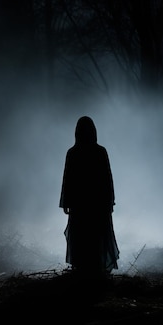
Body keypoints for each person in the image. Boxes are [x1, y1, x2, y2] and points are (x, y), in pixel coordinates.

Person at [59, 115, 119, 278]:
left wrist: (66, 202)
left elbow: (69, 180)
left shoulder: (74, 153)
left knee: (83, 234)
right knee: (93, 235)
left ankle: (85, 269)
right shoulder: (99, 152)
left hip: (84, 204)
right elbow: (107, 179)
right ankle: (93, 269)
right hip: (94, 203)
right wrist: (109, 202)